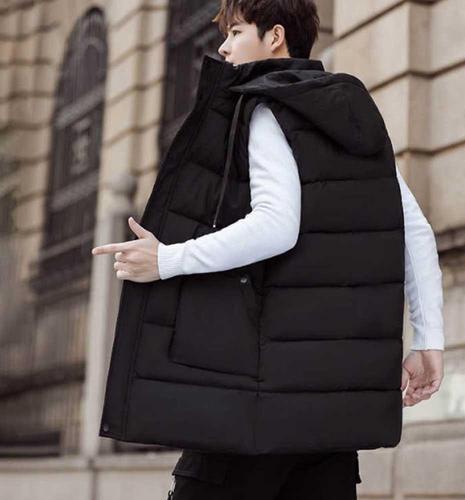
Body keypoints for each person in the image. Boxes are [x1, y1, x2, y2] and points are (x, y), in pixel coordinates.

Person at [92, 1, 444, 498]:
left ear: (275, 36)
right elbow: (415, 231)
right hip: (331, 411)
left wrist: (167, 259)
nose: (224, 47)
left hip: (255, 398)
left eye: (236, 32)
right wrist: (429, 341)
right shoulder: (353, 115)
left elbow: (277, 226)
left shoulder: (263, 107)